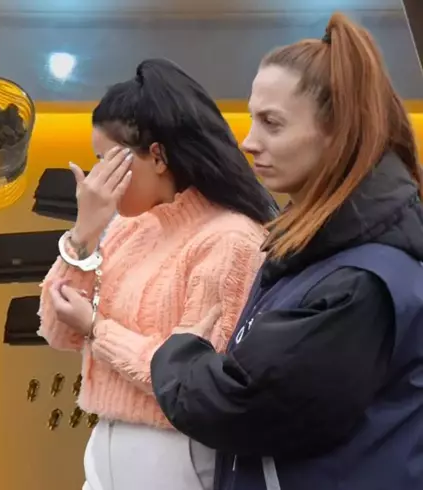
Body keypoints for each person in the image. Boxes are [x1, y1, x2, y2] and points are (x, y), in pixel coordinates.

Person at [151, 12, 423, 490]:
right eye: (252, 119)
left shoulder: (360, 282)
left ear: (339, 132)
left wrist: (179, 354)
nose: (249, 142)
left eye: (272, 124)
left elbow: (246, 404)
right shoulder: (317, 253)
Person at [37, 58, 277, 490]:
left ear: (158, 156)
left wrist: (97, 329)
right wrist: (84, 232)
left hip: (177, 451)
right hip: (106, 444)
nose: (98, 177)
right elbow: (57, 331)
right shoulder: (128, 228)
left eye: (107, 161)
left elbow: (197, 380)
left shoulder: (231, 239)